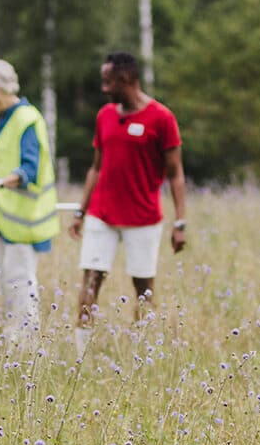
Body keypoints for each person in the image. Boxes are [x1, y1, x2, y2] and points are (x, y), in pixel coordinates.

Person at [68, 52, 188, 341]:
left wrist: (180, 222)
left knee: (143, 287)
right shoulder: (105, 115)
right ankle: (80, 351)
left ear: (126, 79)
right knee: (91, 281)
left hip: (143, 218)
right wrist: (80, 212)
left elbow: (176, 174)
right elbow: (96, 168)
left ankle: (143, 350)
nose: (104, 88)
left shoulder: (162, 118)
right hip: (102, 214)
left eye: (108, 82)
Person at [0, 60, 58, 342]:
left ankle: (27, 344)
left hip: (23, 219)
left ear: (8, 88)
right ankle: (12, 335)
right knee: (2, 279)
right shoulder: (0, 115)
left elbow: (29, 170)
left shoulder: (28, 119)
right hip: (0, 217)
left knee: (20, 281)